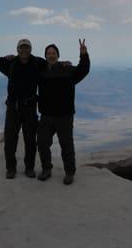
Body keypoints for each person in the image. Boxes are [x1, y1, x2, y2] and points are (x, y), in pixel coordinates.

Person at [0, 32, 46, 179]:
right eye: (22, 48)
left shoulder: (38, 63)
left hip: (30, 107)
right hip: (13, 108)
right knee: (9, 139)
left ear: (30, 49)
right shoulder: (10, 63)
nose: (24, 50)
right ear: (18, 49)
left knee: (30, 140)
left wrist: (63, 63)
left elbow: (52, 63)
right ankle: (11, 168)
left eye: (27, 48)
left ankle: (29, 168)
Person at [37, 39, 90, 185]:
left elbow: (83, 70)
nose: (51, 55)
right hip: (46, 115)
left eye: (53, 53)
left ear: (58, 55)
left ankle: (69, 172)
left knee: (66, 145)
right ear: (45, 56)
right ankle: (46, 169)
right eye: (48, 53)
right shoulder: (41, 71)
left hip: (64, 116)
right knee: (42, 142)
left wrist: (83, 55)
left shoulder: (67, 69)